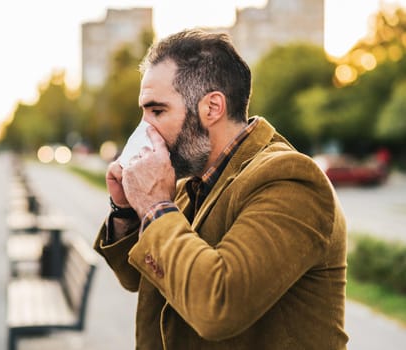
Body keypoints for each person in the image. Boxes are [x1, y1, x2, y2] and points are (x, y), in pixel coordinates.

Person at [93, 29, 348, 349]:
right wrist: (127, 209)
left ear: (212, 108)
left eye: (157, 111)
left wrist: (156, 205)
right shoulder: (192, 184)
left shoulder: (291, 180)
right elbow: (138, 277)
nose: (146, 130)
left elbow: (219, 305)